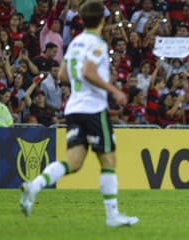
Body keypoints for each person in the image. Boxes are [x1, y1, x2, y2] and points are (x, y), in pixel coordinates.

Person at [20, 1, 139, 227]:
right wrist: (114, 90)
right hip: (93, 108)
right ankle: (112, 216)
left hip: (73, 107)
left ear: (82, 20)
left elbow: (64, 74)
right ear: (103, 20)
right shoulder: (98, 44)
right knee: (108, 159)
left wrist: (85, 83)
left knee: (74, 162)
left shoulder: (75, 43)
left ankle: (33, 186)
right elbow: (88, 71)